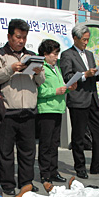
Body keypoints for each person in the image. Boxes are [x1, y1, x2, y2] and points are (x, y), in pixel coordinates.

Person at [0, 19, 45, 196]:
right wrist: (11, 68)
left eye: (24, 38)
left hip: (28, 110)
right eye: (18, 37)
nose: (21, 41)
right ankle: (7, 184)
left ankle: (26, 183)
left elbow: (40, 81)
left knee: (28, 151)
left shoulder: (32, 55)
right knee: (5, 151)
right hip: (7, 110)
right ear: (9, 36)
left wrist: (38, 72)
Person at [60, 24, 99, 179]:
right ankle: (80, 166)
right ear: (75, 38)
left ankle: (97, 165)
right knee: (79, 136)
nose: (86, 42)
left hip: (92, 98)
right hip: (78, 99)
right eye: (83, 39)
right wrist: (85, 74)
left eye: (88, 39)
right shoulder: (67, 55)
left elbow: (93, 74)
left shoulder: (89, 54)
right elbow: (68, 77)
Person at [36, 39, 77, 184]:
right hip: (46, 109)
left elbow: (59, 84)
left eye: (57, 54)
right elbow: (39, 90)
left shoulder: (55, 67)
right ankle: (45, 173)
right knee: (46, 144)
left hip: (57, 108)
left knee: (54, 143)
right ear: (45, 54)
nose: (55, 57)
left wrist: (67, 87)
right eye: (53, 54)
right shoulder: (41, 67)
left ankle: (53, 171)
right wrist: (56, 91)